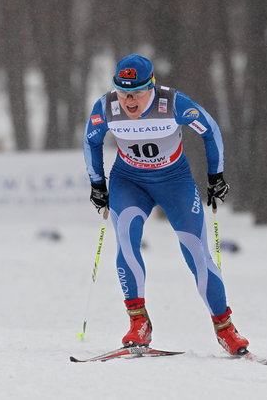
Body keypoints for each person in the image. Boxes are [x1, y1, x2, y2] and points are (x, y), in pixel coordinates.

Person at [83, 54, 249, 355]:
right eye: (122, 92)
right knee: (126, 241)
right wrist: (97, 183)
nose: (128, 100)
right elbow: (91, 141)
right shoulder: (106, 107)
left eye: (136, 93)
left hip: (175, 183)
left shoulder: (172, 103)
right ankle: (139, 323)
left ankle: (225, 328)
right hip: (129, 182)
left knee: (196, 253)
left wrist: (216, 177)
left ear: (152, 87)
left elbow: (210, 130)